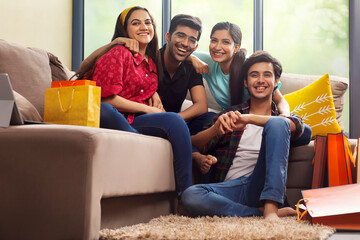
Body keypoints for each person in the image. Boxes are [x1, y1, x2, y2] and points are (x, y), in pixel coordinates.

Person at [75, 6, 192, 198]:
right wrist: (148, 109)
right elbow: (105, 97)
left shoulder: (152, 62)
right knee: (104, 109)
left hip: (132, 120)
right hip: (110, 115)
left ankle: (187, 194)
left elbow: (173, 56)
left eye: (147, 22)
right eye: (135, 23)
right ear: (125, 30)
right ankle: (136, 142)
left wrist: (153, 94)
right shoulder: (118, 52)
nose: (143, 27)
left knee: (176, 121)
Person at [78, 13, 217, 174]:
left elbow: (201, 106)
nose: (186, 43)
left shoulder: (191, 65)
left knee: (211, 119)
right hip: (147, 119)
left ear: (196, 46)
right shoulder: (150, 58)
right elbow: (87, 67)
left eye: (192, 40)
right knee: (170, 124)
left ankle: (188, 147)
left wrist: (175, 121)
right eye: (180, 36)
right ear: (168, 37)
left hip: (173, 119)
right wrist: (115, 42)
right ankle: (192, 153)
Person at [181, 50, 305, 220]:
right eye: (254, 75)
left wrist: (248, 119)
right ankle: (258, 213)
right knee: (191, 195)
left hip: (261, 185)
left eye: (267, 75)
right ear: (246, 82)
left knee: (277, 123)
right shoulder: (232, 114)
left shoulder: (280, 118)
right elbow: (192, 142)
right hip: (231, 189)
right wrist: (216, 128)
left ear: (276, 82)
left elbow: (297, 126)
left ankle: (271, 208)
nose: (260, 80)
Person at [188, 22, 311, 171]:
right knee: (202, 124)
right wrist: (192, 59)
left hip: (258, 120)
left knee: (306, 133)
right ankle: (198, 157)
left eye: (225, 42)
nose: (217, 46)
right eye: (214, 40)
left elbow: (279, 99)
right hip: (232, 121)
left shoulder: (249, 67)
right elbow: (178, 50)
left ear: (237, 47)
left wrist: (283, 118)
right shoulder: (208, 61)